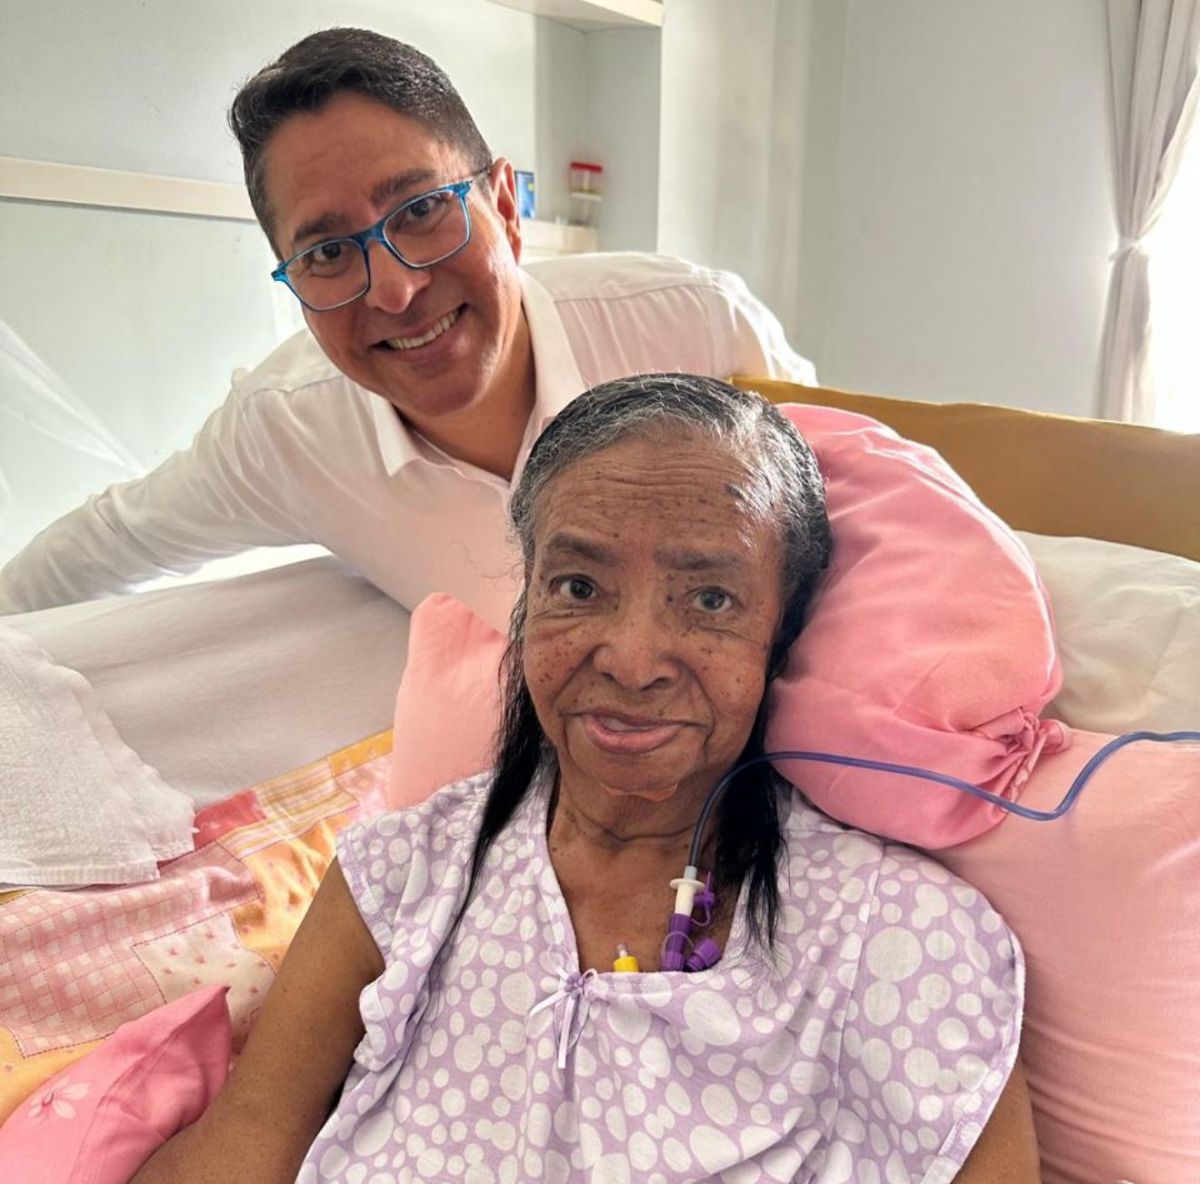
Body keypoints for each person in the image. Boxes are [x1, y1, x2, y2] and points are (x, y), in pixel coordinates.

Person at [131, 375, 1039, 1184]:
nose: (633, 660)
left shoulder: (899, 933)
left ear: (781, 634)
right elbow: (250, 1137)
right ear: (527, 603)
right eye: (578, 587)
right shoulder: (402, 877)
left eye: (710, 600)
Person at [0, 28, 815, 626]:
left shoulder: (692, 326)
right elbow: (99, 549)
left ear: (505, 205)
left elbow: (849, 524)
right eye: (327, 253)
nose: (394, 290)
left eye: (422, 210)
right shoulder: (290, 429)